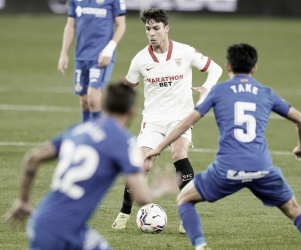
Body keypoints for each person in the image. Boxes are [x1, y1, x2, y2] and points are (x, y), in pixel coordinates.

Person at [144, 43, 301, 250]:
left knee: (184, 199)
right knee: (294, 209)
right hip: (262, 168)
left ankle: (200, 245)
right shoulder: (265, 92)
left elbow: (188, 122)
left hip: (226, 169)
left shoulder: (219, 91)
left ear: (228, 67)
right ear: (254, 68)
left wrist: (159, 147)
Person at [3, 83, 178, 250]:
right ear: (132, 112)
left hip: (59, 224)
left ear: (103, 105)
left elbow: (32, 158)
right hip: (57, 230)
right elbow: (143, 197)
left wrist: (23, 200)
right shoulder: (125, 143)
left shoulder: (79, 130)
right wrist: (160, 189)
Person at [112, 8, 223, 232]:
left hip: (180, 118)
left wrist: (206, 89)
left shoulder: (184, 52)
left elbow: (216, 69)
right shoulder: (140, 59)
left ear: (166, 28)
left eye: (155, 28)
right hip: (152, 120)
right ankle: (124, 212)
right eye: (147, 29)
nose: (151, 33)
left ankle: (187, 216)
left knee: (179, 154)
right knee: (142, 165)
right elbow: (127, 89)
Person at [58, 0, 126, 122]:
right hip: (81, 56)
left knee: (93, 99)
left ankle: (99, 137)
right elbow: (70, 25)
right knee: (84, 102)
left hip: (101, 57)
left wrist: (109, 49)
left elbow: (121, 25)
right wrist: (64, 53)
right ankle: (88, 135)